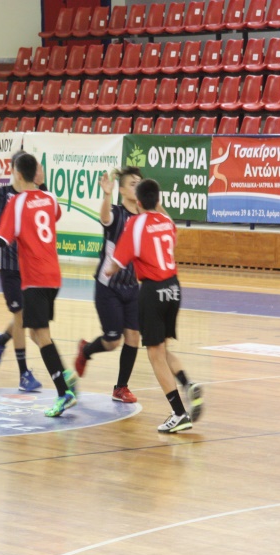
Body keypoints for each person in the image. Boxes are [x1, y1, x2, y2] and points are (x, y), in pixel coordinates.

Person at [106, 179, 203, 433]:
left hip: (153, 289)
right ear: (158, 200)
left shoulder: (135, 224)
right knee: (162, 348)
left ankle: (179, 413)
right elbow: (171, 236)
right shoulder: (167, 222)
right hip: (174, 288)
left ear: (138, 202)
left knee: (154, 354)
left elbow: (118, 261)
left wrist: (108, 270)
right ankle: (187, 383)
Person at [0, 152, 77, 417]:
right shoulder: (50, 198)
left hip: (34, 279)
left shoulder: (16, 203)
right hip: (54, 276)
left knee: (41, 336)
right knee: (35, 333)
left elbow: (2, 241)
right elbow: (54, 215)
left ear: (17, 174)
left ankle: (64, 392)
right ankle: (64, 375)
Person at [0, 152, 42, 392]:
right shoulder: (3, 194)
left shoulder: (35, 195)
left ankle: (2, 339)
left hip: (31, 264)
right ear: (15, 170)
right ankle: (24, 374)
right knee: (21, 315)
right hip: (9, 265)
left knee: (24, 316)